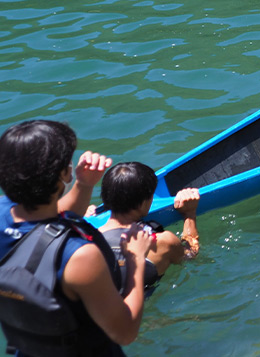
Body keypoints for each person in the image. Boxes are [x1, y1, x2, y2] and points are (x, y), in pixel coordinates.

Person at [0, 120, 151, 356]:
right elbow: (125, 332)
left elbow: (45, 221)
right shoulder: (80, 257)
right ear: (63, 173)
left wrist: (83, 184)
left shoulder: (4, 212)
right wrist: (135, 260)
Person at [98, 162, 200, 297]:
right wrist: (190, 215)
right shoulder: (162, 242)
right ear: (144, 202)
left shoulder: (87, 236)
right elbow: (191, 256)